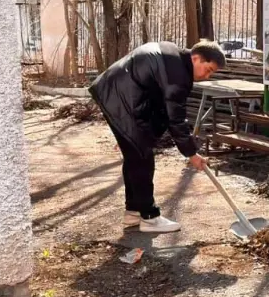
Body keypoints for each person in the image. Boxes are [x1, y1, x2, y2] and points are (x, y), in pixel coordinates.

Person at [88, 40, 226, 233]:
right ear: (196, 58)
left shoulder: (174, 58)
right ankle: (149, 217)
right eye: (208, 69)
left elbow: (160, 111)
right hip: (121, 96)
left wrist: (137, 137)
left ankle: (134, 211)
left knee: (136, 154)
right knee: (142, 157)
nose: (207, 76)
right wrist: (192, 154)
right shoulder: (178, 75)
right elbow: (175, 118)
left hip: (117, 92)